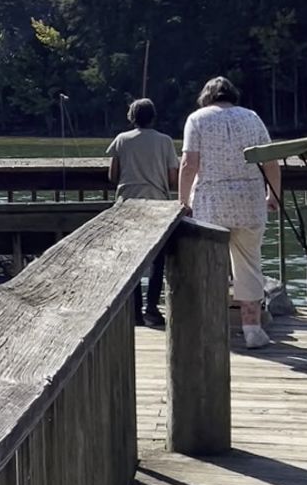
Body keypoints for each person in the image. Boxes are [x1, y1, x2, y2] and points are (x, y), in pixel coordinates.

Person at [179, 76, 281, 349]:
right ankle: (252, 330)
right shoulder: (252, 117)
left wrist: (182, 200)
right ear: (232, 95)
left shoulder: (197, 119)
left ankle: (210, 329)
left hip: (211, 202)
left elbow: (189, 163)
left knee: (210, 266)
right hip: (249, 202)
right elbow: (271, 160)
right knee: (249, 266)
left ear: (206, 97)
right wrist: (273, 195)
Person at [107, 98, 179, 328]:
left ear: (132, 117)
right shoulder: (165, 141)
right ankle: (152, 309)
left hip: (127, 204)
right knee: (157, 261)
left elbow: (112, 175)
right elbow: (172, 178)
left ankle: (134, 311)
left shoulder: (121, 140)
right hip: (157, 204)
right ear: (153, 117)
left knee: (131, 260)